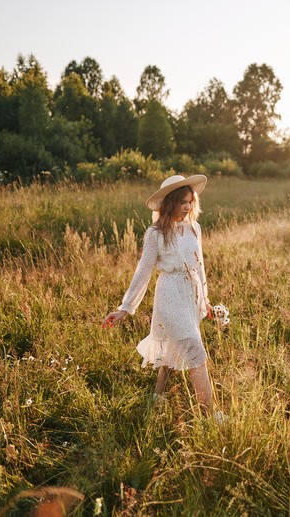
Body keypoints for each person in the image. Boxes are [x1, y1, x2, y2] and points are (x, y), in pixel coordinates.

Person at [102, 174, 218, 417]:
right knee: (195, 351)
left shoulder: (195, 228)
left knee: (171, 352)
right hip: (170, 295)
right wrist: (126, 307)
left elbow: (200, 266)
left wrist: (204, 299)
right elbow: (143, 272)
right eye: (181, 202)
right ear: (169, 203)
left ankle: (156, 398)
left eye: (189, 201)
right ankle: (210, 416)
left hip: (191, 296)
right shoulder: (156, 233)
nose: (187, 207)